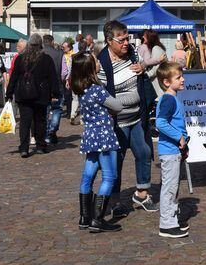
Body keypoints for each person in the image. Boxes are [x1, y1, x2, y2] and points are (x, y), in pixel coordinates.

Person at [97, 20, 157, 215]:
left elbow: (144, 72)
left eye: (127, 38)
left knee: (144, 152)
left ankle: (141, 194)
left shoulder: (132, 54)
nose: (126, 43)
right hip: (117, 122)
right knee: (116, 161)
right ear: (109, 40)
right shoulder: (101, 62)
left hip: (137, 118)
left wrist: (143, 68)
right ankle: (115, 202)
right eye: (121, 40)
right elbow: (100, 94)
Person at [70, 52, 129, 233]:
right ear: (90, 68)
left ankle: (84, 217)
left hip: (90, 136)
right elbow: (117, 106)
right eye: (95, 61)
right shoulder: (97, 89)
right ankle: (98, 219)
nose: (98, 62)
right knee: (109, 177)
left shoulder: (80, 89)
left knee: (88, 176)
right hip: (104, 136)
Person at [5, 33, 56, 157]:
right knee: (40, 121)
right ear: (40, 45)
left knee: (25, 122)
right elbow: (53, 78)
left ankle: (24, 148)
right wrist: (56, 93)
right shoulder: (46, 59)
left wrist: (9, 93)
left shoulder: (20, 58)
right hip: (41, 94)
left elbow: (14, 78)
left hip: (24, 94)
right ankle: (40, 146)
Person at [154, 62, 189, 238]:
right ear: (167, 82)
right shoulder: (168, 99)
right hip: (169, 150)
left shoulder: (173, 98)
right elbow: (160, 123)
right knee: (169, 187)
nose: (182, 79)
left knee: (173, 187)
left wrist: (185, 145)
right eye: (178, 77)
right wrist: (179, 137)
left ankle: (172, 219)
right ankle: (167, 224)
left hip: (174, 150)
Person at [41, 34, 65, 145]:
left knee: (44, 111)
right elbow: (64, 72)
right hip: (58, 86)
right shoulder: (60, 54)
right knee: (57, 109)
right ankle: (52, 130)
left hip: (43, 88)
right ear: (52, 42)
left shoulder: (39, 53)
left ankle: (46, 134)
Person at [137, 29, 168, 96]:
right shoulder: (155, 48)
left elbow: (156, 68)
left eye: (145, 36)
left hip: (157, 85)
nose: (143, 37)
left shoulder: (156, 48)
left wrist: (146, 76)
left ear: (150, 38)